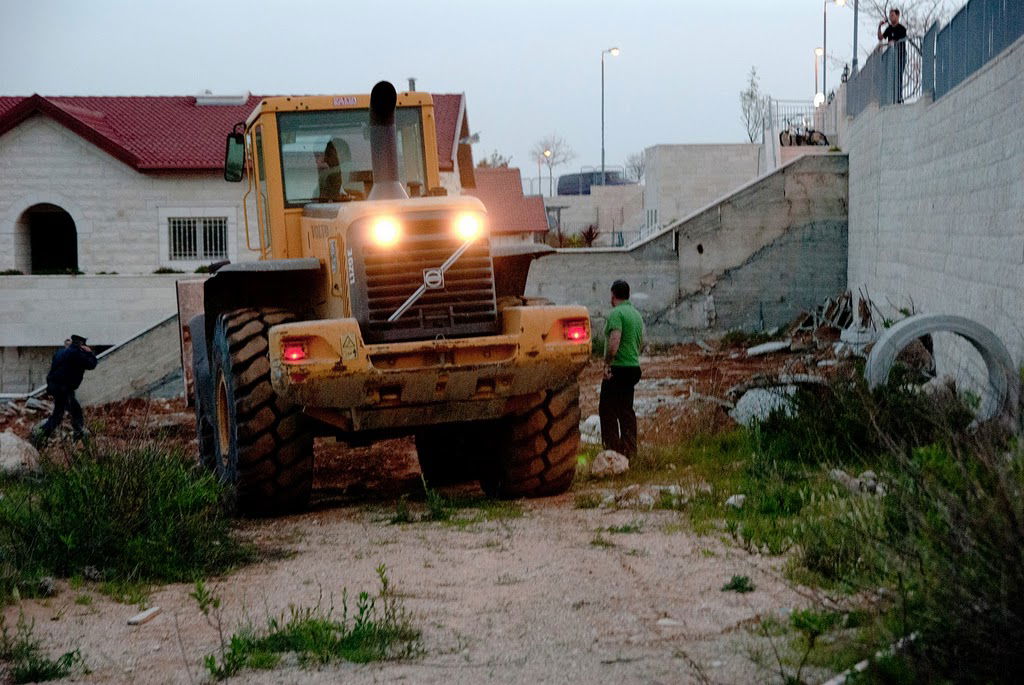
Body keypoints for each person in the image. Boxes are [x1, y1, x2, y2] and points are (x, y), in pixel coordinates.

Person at [599, 280, 645, 460]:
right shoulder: (636, 315)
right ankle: (630, 451)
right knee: (626, 410)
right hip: (633, 367)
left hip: (618, 368)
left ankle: (612, 453)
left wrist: (607, 363)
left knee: (607, 409)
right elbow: (640, 342)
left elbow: (614, 340)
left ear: (613, 294)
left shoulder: (616, 314)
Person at [33, 334, 97, 445]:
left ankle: (41, 436)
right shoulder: (77, 354)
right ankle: (78, 437)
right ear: (81, 344)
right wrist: (89, 352)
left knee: (62, 413)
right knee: (72, 413)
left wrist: (50, 388)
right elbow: (92, 364)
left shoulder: (60, 352)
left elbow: (52, 370)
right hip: (64, 389)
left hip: (56, 387)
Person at [878, 8, 908, 103]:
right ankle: (892, 98)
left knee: (898, 76)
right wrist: (879, 27)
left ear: (898, 16)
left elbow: (897, 41)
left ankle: (899, 98)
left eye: (893, 15)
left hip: (900, 55)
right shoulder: (889, 28)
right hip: (891, 57)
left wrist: (890, 43)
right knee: (891, 76)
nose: (891, 17)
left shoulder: (902, 28)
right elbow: (881, 37)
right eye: (890, 16)